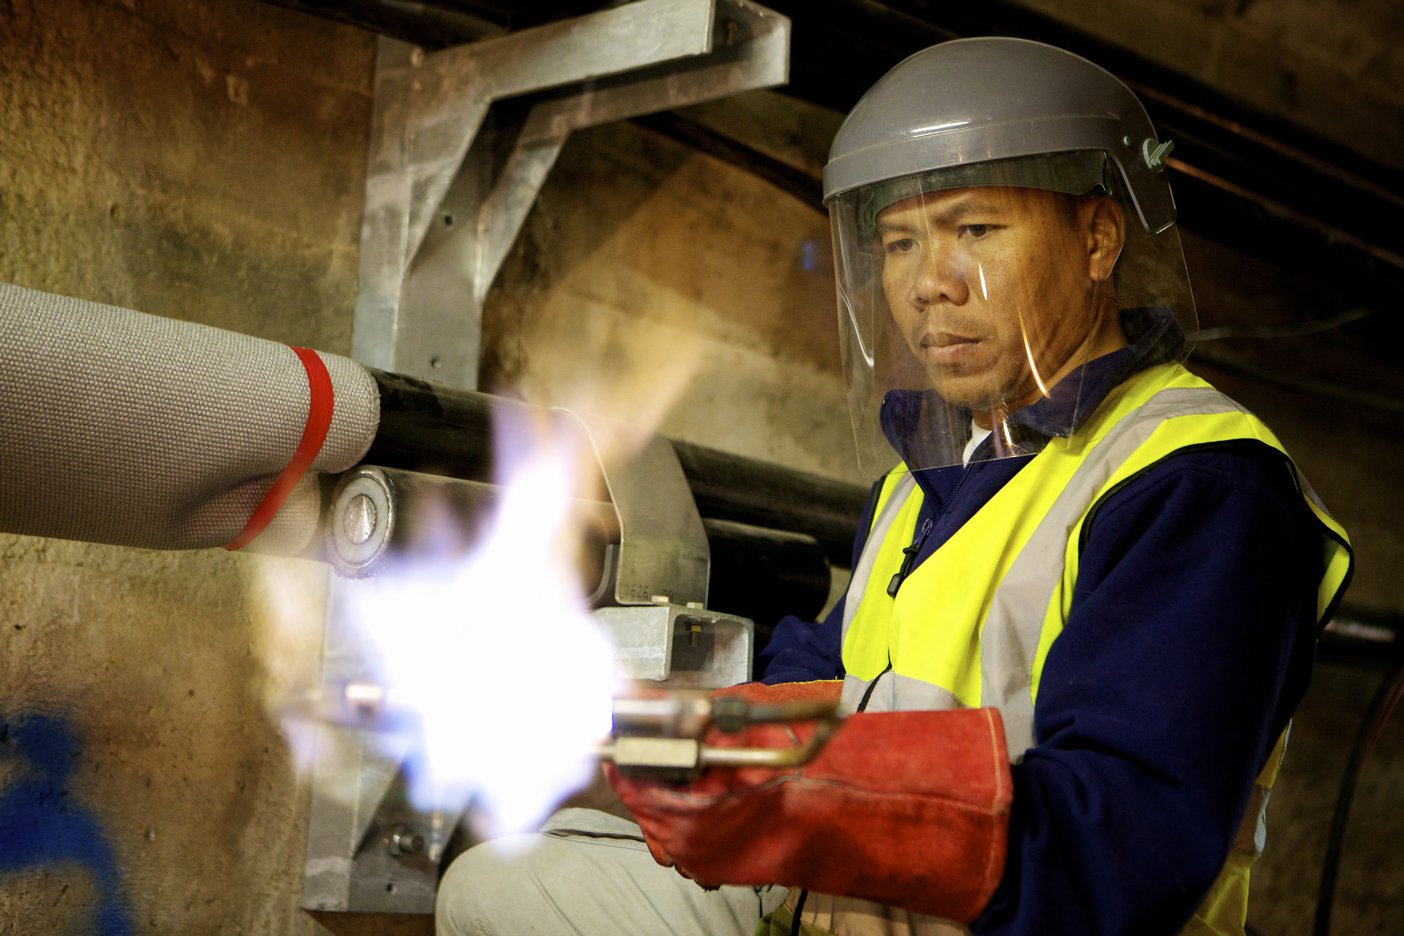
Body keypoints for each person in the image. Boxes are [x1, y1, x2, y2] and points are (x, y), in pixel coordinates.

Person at [436, 37, 1353, 936]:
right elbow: (832, 675)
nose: (928, 285)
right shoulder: (925, 486)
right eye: (900, 242)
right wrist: (677, 738)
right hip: (860, 889)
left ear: (1098, 237)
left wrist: (849, 827)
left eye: (975, 230)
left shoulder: (1198, 485)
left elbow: (1120, 834)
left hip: (1011, 913)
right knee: (504, 884)